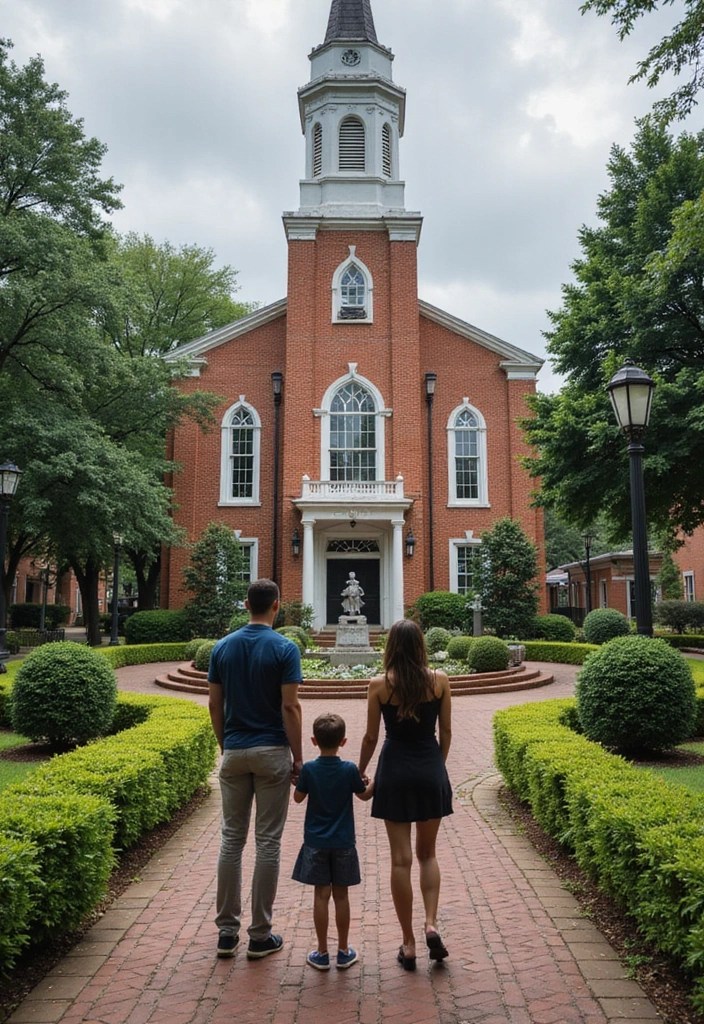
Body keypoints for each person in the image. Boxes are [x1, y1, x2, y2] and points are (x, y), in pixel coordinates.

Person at [208, 578, 303, 960]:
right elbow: (291, 707)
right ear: (276, 606)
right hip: (271, 752)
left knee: (231, 840)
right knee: (268, 842)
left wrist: (225, 744)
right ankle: (260, 935)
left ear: (247, 605)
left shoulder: (222, 647)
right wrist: (298, 757)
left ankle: (227, 933)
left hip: (234, 750)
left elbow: (215, 704)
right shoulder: (285, 647)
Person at [358, 619, 452, 972]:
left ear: (391, 647)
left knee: (400, 861)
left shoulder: (380, 685)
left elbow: (370, 737)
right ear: (421, 646)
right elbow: (446, 732)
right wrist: (436, 768)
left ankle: (409, 943)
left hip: (394, 770)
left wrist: (361, 773)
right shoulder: (439, 681)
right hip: (429, 767)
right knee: (427, 854)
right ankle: (431, 923)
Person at [292, 712, 373, 971]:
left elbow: (297, 798)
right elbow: (363, 796)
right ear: (344, 741)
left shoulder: (310, 770)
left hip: (315, 841)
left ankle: (322, 951)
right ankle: (344, 949)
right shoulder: (349, 769)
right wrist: (374, 782)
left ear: (314, 741)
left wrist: (296, 782)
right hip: (343, 841)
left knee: (320, 895)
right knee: (342, 896)